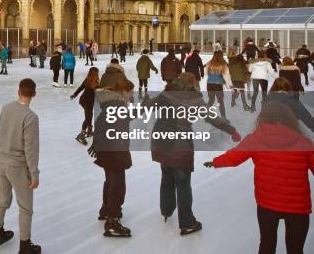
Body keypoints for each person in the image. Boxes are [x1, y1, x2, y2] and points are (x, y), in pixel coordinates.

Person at [205, 101, 314, 254]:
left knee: (266, 246)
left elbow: (234, 156)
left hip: (267, 205)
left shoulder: (256, 139)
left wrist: (215, 162)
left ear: (263, 118)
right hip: (297, 208)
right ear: (289, 119)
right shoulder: (303, 143)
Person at [152, 74, 240, 237]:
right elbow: (212, 118)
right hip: (179, 145)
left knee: (167, 174)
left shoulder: (166, 93)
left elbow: (148, 106)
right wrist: (231, 129)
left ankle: (166, 210)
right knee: (183, 181)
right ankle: (187, 223)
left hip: (161, 142)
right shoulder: (194, 98)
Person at [0, 78, 41, 254]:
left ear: (18, 90)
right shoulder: (30, 117)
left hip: (0, 161)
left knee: (2, 200)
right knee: (25, 207)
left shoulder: (5, 108)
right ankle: (25, 249)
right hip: (17, 166)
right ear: (34, 94)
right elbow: (31, 149)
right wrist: (34, 174)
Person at [90, 68, 135, 237]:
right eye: (131, 92)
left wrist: (96, 144)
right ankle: (112, 222)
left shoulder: (113, 104)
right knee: (117, 186)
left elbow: (103, 123)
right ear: (124, 92)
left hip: (108, 151)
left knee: (110, 182)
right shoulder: (116, 105)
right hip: (114, 152)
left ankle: (105, 210)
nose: (132, 95)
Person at [265, 78, 314, 158]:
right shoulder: (293, 102)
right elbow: (311, 123)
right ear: (288, 88)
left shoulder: (267, 100)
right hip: (290, 142)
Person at [70, 66, 99, 145]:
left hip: (84, 100)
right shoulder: (94, 82)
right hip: (87, 102)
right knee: (88, 117)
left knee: (89, 115)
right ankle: (81, 135)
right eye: (97, 73)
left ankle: (89, 131)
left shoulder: (88, 79)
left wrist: (74, 95)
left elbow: (80, 88)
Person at [205, 51, 232, 119]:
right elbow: (227, 76)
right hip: (218, 85)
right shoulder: (223, 65)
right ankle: (223, 116)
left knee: (211, 100)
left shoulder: (209, 64)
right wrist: (230, 84)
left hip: (210, 84)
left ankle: (206, 115)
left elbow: (205, 72)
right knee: (220, 101)